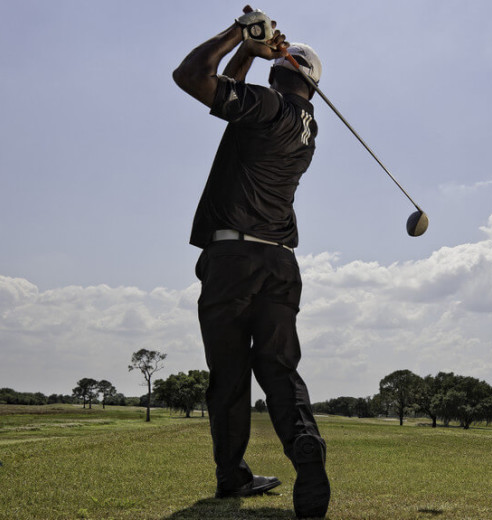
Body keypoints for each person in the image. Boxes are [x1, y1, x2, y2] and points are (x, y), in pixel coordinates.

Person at [172, 5, 330, 518]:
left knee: (230, 375)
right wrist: (251, 50)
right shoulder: (305, 127)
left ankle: (231, 476)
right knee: (280, 369)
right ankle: (304, 445)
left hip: (232, 259)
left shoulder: (268, 106)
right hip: (280, 262)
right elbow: (231, 97)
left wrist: (237, 33)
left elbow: (192, 76)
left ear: (281, 73)